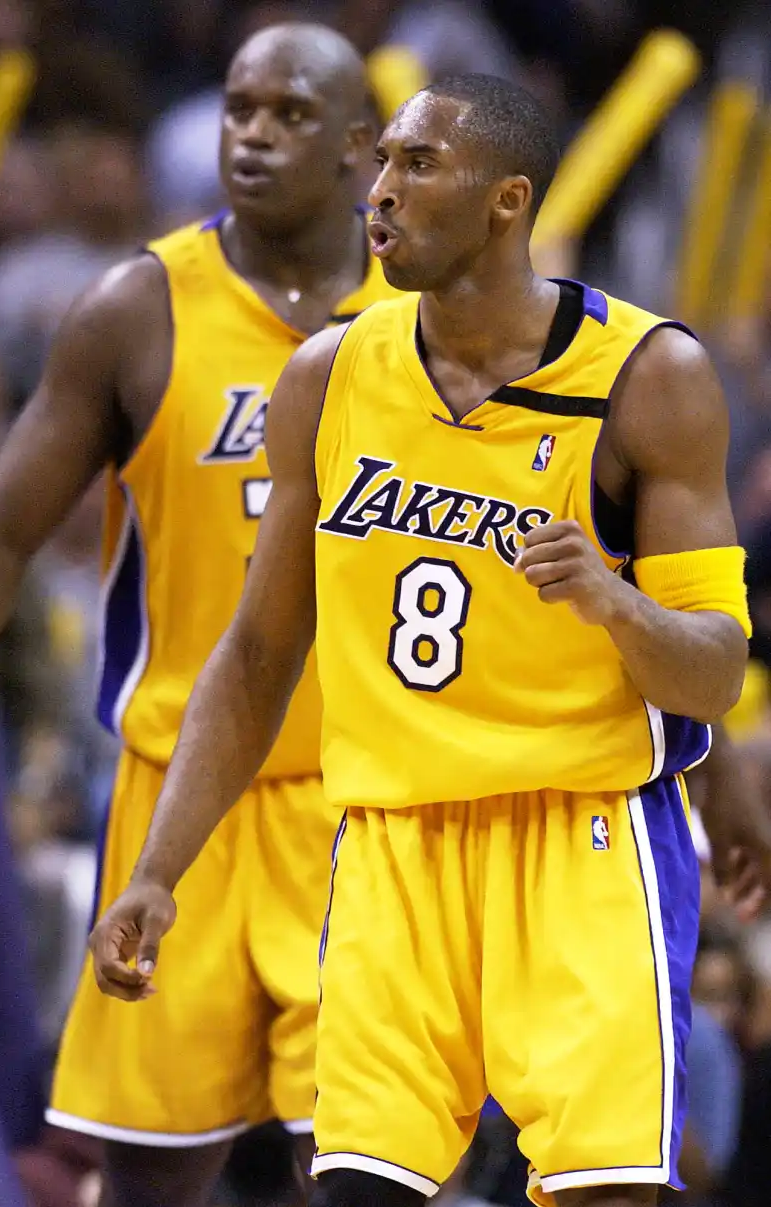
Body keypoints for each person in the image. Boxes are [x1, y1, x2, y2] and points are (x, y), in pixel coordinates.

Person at [89, 74, 771, 1207]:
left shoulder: (650, 378)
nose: (381, 190)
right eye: (384, 163)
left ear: (507, 201)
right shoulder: (329, 374)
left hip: (582, 845)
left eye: (417, 166)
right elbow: (257, 654)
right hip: (392, 848)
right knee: (356, 1189)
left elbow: (709, 668)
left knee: (607, 1194)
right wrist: (160, 869)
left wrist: (614, 602)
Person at [0, 24, 397, 1207]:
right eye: (238, 109)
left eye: (291, 115)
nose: (252, 137)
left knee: (372, 1170)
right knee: (154, 1181)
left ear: (362, 147)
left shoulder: (429, 324)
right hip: (180, 809)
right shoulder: (138, 309)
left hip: (367, 810)